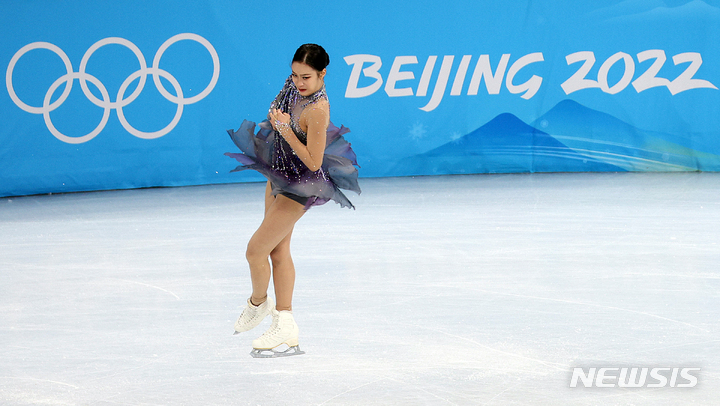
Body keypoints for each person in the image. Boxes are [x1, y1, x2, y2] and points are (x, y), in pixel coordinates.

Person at [224, 44, 360, 357]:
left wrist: (285, 129)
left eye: (307, 77)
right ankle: (285, 324)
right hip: (279, 172)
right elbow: (277, 109)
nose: (299, 82)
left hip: (301, 183)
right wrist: (276, 120)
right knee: (278, 250)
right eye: (296, 74)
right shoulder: (292, 85)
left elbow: (314, 162)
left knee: (255, 249)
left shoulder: (318, 110)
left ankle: (258, 303)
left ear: (323, 74)